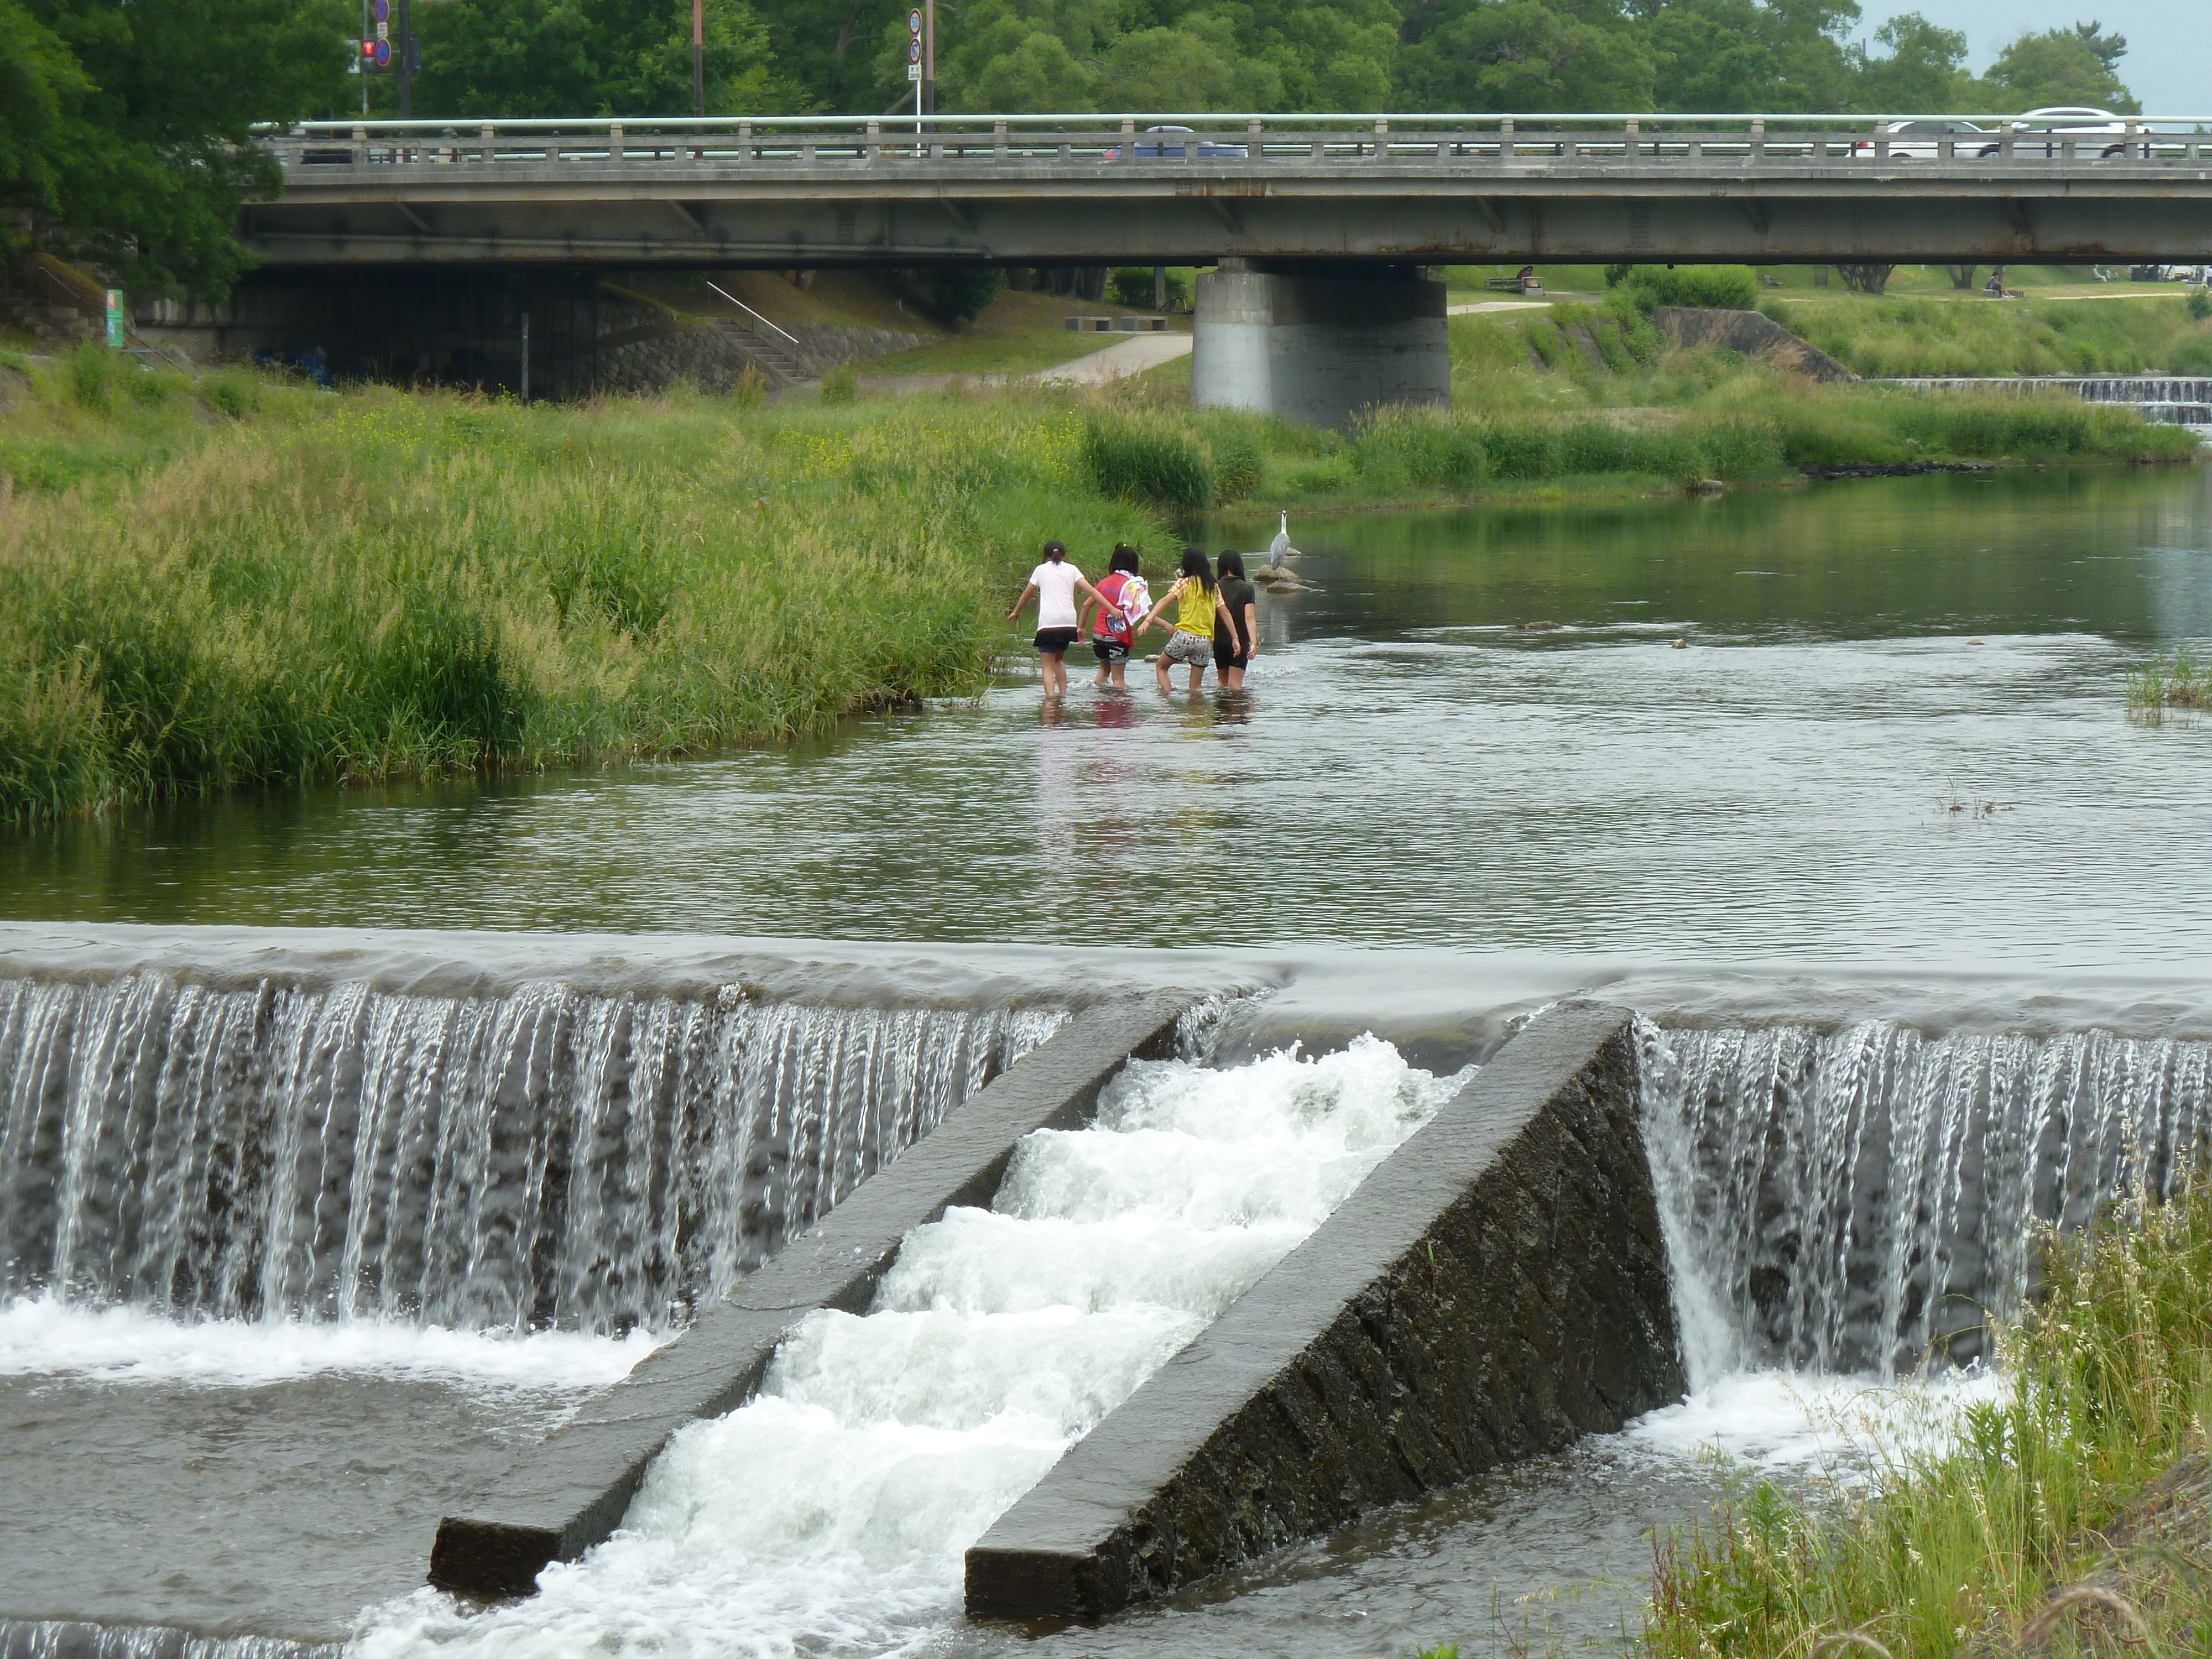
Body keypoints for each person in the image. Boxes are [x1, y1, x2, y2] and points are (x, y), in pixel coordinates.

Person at [1006, 540, 1106, 700]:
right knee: (1059, 660)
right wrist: (1112, 609)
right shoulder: (1072, 569)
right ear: (1064, 556)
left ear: (1045, 557)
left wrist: (1016, 612)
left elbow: (1027, 593)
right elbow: (1092, 592)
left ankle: (1051, 700)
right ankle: (1063, 696)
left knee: (1047, 666)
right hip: (1068, 623)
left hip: (1049, 623)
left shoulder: (1040, 570)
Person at [1141, 547, 1236, 693]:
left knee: (1161, 667)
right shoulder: (1213, 587)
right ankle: (1196, 714)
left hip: (1184, 636)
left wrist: (1149, 620)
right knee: (1196, 688)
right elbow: (1225, 613)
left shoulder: (1184, 583)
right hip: (1204, 641)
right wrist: (1235, 638)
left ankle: (1165, 705)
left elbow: (1165, 600)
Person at [1082, 544, 1150, 690]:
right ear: (1134, 564)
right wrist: (1165, 625)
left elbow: (1086, 606)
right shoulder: (1131, 586)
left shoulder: (1104, 582)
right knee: (1118, 678)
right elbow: (1143, 614)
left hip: (1099, 637)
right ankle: (1120, 709)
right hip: (1117, 638)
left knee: (1104, 671)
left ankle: (1099, 703)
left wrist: (1081, 628)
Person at [1213, 550, 1258, 688]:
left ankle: (1219, 710)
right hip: (1239, 639)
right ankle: (1236, 709)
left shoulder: (1215, 587)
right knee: (1235, 685)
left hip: (1219, 640)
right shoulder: (1247, 589)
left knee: (1221, 682)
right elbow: (1249, 617)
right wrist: (1254, 643)